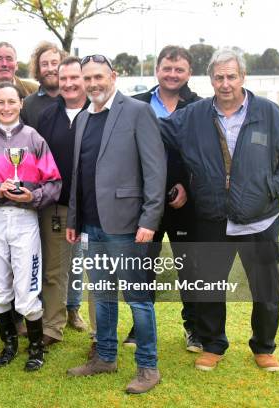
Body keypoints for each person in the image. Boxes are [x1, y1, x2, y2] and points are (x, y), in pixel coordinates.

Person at [160, 47, 279, 372]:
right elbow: (157, 131)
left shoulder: (267, 112)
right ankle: (213, 344)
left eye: (231, 76)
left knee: (265, 289)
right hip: (212, 218)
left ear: (242, 77)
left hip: (260, 220)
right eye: (218, 77)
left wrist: (269, 189)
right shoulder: (194, 115)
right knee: (210, 285)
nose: (225, 83)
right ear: (210, 79)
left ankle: (264, 346)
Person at [65, 55, 166, 394]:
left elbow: (155, 171)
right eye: (86, 78)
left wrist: (149, 219)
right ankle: (105, 357)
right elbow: (79, 174)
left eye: (98, 76)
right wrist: (75, 219)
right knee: (103, 293)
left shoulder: (137, 112)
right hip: (92, 225)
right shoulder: (81, 119)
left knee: (137, 297)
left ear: (113, 76)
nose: (92, 83)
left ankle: (148, 367)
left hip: (127, 224)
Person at [0, 82, 61, 371]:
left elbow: (54, 183)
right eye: (0, 103)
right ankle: (9, 345)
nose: (6, 107)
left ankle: (35, 349)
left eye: (12, 101)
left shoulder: (34, 139)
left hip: (24, 219)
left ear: (21, 103)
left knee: (27, 287)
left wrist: (33, 196)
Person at [122, 45, 202, 352]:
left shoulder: (199, 107)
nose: (172, 74)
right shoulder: (136, 104)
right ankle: (140, 327)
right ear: (157, 70)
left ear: (188, 73)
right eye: (167, 68)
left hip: (185, 202)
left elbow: (202, 154)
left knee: (190, 268)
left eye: (179, 69)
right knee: (142, 266)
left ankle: (193, 328)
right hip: (145, 203)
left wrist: (187, 186)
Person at [36, 56, 90, 346]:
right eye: (64, 78)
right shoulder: (47, 116)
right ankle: (52, 327)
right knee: (54, 270)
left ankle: (100, 334)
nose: (68, 84)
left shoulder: (99, 113)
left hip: (96, 206)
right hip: (58, 205)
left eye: (75, 78)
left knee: (99, 268)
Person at [20, 41, 66, 129]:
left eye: (54, 63)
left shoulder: (74, 100)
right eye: (44, 64)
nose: (50, 69)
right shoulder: (27, 106)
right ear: (38, 69)